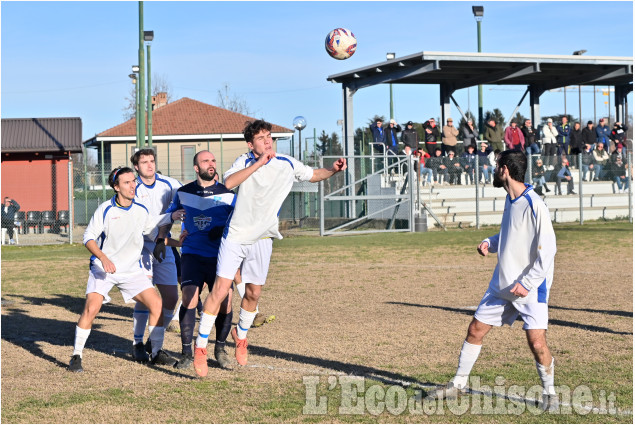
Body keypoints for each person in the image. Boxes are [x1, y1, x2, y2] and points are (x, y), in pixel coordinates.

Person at [192, 119, 347, 376]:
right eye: (261, 138)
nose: (267, 141)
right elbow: (227, 184)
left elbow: (313, 175)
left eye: (269, 136)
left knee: (253, 294)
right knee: (220, 290)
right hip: (236, 236)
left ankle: (240, 336)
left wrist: (332, 169)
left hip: (263, 237)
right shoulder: (244, 162)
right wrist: (257, 164)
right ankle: (200, 347)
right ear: (250, 144)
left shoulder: (286, 163)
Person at [427, 150, 559, 412]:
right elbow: (511, 235)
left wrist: (528, 283)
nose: (494, 170)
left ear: (506, 170)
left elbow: (549, 251)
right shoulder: (512, 200)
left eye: (497, 166)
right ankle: (458, 384)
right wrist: (491, 242)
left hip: (530, 289)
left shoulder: (535, 204)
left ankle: (550, 394)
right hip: (503, 285)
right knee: (475, 329)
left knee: (536, 343)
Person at [68, 167, 185, 372]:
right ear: (116, 187)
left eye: (133, 181)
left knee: (156, 304)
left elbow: (153, 233)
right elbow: (88, 237)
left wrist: (179, 242)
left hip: (131, 271)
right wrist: (103, 258)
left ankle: (156, 352)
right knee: (91, 308)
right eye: (127, 183)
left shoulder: (140, 209)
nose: (133, 186)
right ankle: (76, 356)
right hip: (104, 270)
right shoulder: (105, 209)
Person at [164, 150, 237, 370]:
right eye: (206, 161)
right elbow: (168, 217)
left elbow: (238, 223)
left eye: (213, 160)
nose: (211, 164)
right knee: (189, 297)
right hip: (192, 253)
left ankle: (220, 349)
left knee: (226, 301)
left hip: (220, 256)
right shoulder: (183, 192)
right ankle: (187, 353)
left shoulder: (228, 193)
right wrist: (167, 236)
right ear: (196, 168)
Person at [129, 149, 183, 362]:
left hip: (164, 244)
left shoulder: (169, 184)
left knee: (171, 296)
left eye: (152, 161)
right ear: (136, 166)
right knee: (146, 297)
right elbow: (144, 222)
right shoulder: (132, 187)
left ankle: (154, 341)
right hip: (141, 247)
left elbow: (182, 202)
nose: (149, 165)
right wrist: (168, 219)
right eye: (144, 162)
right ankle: (138, 344)